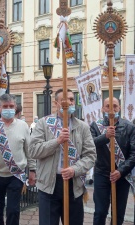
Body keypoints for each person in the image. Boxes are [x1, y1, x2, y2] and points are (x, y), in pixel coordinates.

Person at [29, 88, 96, 225]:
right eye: (64, 100)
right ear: (56, 103)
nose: (69, 103)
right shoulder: (43, 123)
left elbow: (90, 155)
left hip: (74, 184)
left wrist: (75, 169)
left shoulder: (82, 127)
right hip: (49, 184)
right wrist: (57, 141)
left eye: (71, 99)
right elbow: (33, 151)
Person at [0, 94, 36, 225]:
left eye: (11, 106)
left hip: (16, 175)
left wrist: (33, 170)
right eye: (5, 106)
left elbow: (29, 150)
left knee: (13, 210)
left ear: (15, 108)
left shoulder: (22, 126)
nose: (8, 109)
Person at [90, 97, 135, 225]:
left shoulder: (129, 127)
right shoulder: (95, 126)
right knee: (100, 212)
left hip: (121, 175)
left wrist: (121, 171)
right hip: (102, 173)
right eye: (108, 106)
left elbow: (134, 153)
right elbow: (90, 145)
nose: (112, 109)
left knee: (118, 214)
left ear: (120, 108)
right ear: (102, 108)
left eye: (115, 106)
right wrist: (105, 137)